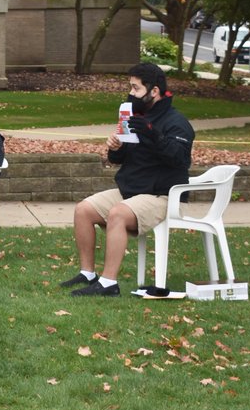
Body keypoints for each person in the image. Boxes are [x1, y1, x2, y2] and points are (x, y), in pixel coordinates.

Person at [62, 62, 194, 298]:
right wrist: (116, 148)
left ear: (154, 91)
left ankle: (108, 283)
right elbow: (120, 160)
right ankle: (88, 273)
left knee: (118, 213)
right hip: (132, 190)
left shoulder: (177, 122)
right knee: (83, 210)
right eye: (130, 88)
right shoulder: (135, 116)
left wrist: (153, 134)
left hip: (163, 195)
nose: (131, 93)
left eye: (136, 88)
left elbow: (180, 160)